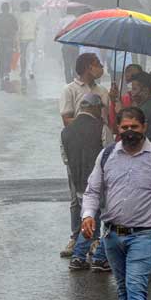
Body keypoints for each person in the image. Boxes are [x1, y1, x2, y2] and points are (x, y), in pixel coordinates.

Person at [81, 107, 151, 300]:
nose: (130, 131)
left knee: (136, 290)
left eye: (134, 126)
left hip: (143, 236)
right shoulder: (106, 155)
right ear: (118, 129)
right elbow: (93, 191)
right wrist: (87, 216)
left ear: (144, 127)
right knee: (123, 290)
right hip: (112, 236)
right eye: (125, 127)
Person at [59, 52, 110, 257]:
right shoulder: (69, 90)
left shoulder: (103, 91)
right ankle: (76, 236)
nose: (101, 68)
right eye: (98, 64)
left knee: (100, 197)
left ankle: (96, 238)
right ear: (89, 67)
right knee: (76, 197)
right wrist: (89, 124)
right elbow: (67, 119)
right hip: (77, 150)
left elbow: (111, 121)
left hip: (100, 146)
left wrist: (112, 102)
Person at [62, 94, 114, 272]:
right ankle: (95, 257)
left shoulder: (66, 131)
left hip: (79, 184)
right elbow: (111, 155)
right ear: (93, 108)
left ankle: (80, 257)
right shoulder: (102, 127)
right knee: (107, 220)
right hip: (100, 184)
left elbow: (65, 159)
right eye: (100, 108)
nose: (101, 112)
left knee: (88, 220)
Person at [0, 3, 18, 89]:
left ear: (1, 8)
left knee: (1, 57)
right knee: (8, 56)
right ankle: (6, 72)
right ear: (8, 8)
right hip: (9, 40)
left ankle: (1, 74)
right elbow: (16, 28)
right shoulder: (12, 17)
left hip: (0, 40)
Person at [17, 1, 38, 81]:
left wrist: (17, 39)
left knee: (23, 55)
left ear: (23, 7)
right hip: (32, 37)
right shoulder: (34, 15)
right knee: (32, 54)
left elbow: (19, 29)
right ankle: (30, 71)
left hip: (23, 38)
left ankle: (23, 71)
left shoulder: (20, 16)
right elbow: (37, 27)